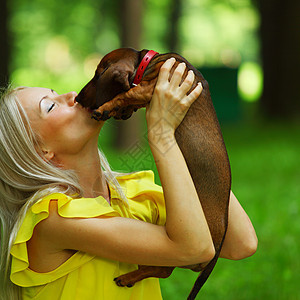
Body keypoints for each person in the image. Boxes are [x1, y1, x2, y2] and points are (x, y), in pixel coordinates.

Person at [0, 58, 257, 300]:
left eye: (56, 91)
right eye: (50, 105)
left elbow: (239, 243)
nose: (69, 95)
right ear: (41, 151)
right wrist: (161, 134)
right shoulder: (51, 219)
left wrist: (184, 122)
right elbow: (194, 249)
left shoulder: (133, 195)